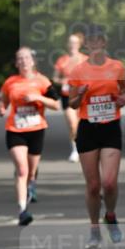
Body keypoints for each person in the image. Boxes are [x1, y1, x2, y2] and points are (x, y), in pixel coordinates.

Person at [67, 24, 125, 248]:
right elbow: (72, 103)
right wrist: (81, 95)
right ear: (86, 44)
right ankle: (94, 229)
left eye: (99, 41)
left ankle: (111, 215)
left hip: (111, 127)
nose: (95, 44)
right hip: (88, 128)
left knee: (110, 183)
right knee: (94, 186)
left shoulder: (117, 67)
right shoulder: (77, 71)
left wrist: (124, 98)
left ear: (104, 42)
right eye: (90, 41)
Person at [0, 47, 60, 226]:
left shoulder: (42, 81)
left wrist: (37, 98)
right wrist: (1, 107)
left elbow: (56, 104)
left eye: (26, 58)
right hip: (15, 130)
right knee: (22, 170)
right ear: (17, 63)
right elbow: (2, 97)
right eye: (20, 58)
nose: (23, 61)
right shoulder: (11, 82)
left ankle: (32, 182)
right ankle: (23, 211)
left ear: (32, 61)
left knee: (31, 172)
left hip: (36, 130)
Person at [52, 31, 86, 162]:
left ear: (79, 44)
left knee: (83, 124)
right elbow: (55, 77)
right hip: (67, 96)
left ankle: (86, 147)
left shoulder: (85, 59)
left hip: (83, 95)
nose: (72, 45)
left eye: (75, 43)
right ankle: (75, 150)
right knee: (73, 124)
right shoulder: (62, 60)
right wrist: (63, 81)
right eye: (70, 43)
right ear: (67, 44)